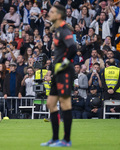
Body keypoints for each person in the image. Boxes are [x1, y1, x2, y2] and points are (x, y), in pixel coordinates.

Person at [41, 5, 77, 147]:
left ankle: (66, 140)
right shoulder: (56, 31)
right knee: (50, 104)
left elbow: (73, 47)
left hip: (65, 71)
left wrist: (65, 62)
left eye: (52, 12)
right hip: (57, 72)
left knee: (65, 104)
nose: (48, 13)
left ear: (59, 15)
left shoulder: (63, 30)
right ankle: (55, 138)